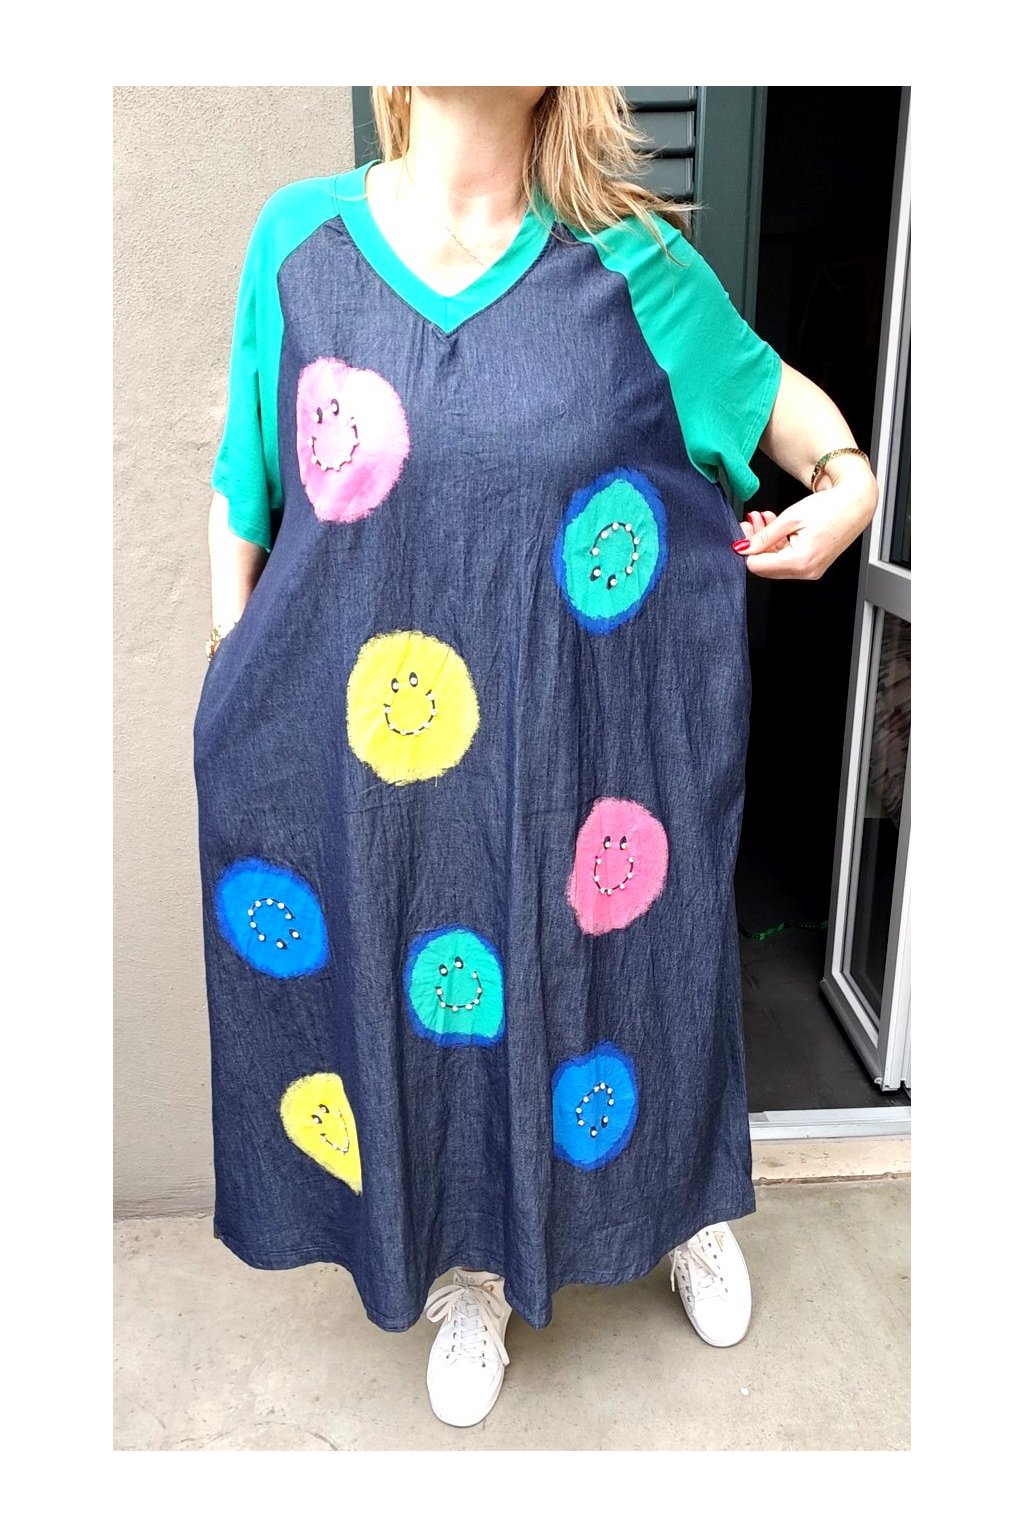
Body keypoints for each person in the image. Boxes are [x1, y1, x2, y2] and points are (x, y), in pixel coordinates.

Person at [194, 86, 878, 1430]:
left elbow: (778, 407)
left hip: (593, 754)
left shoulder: (628, 260)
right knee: (436, 996)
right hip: (392, 768)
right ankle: (473, 1269)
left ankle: (679, 1204)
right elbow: (245, 486)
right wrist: (236, 670)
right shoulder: (299, 245)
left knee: (637, 977)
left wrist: (848, 480)